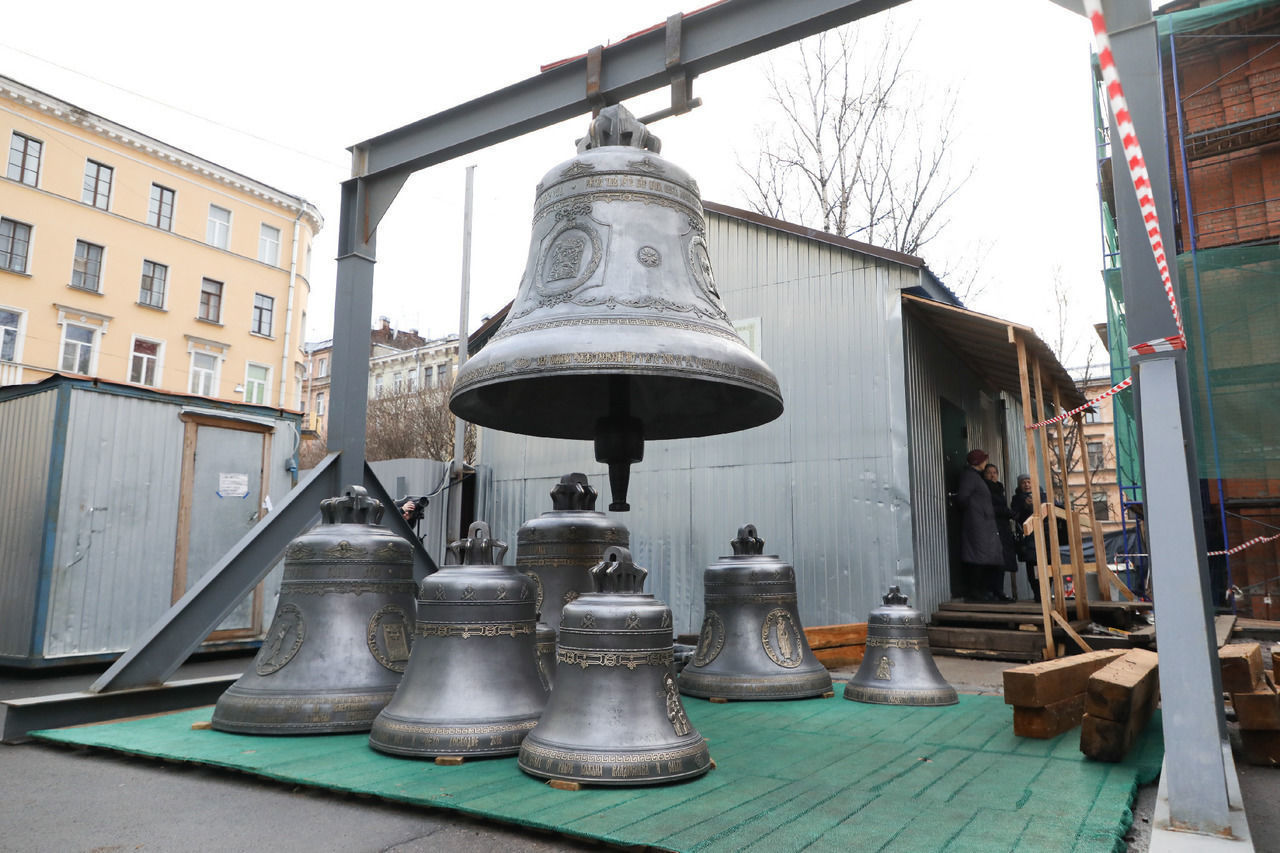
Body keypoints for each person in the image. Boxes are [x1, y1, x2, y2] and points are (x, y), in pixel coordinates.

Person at [956, 449, 1006, 602]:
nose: (985, 462)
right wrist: (976, 511)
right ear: (978, 462)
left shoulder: (975, 476)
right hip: (977, 523)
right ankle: (976, 592)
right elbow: (962, 498)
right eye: (984, 460)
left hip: (983, 523)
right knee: (978, 557)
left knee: (988, 557)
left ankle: (986, 592)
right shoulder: (970, 477)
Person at [984, 463, 1018, 599]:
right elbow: (991, 508)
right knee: (994, 560)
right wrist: (1009, 513)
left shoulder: (999, 488)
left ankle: (999, 590)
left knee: (1002, 560)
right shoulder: (985, 489)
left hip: (1002, 528)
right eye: (989, 472)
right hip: (992, 527)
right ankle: (992, 591)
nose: (992, 475)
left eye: (995, 472)